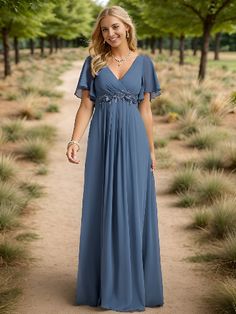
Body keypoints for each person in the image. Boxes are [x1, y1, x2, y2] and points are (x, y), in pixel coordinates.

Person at [66, 5, 164, 312]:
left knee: (134, 206)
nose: (111, 34)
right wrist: (74, 140)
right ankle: (105, 285)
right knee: (104, 204)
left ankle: (134, 284)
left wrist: (150, 149)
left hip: (135, 142)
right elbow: (86, 106)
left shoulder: (145, 64)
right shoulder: (93, 63)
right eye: (105, 29)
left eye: (115, 27)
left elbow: (145, 110)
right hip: (103, 142)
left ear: (127, 28)